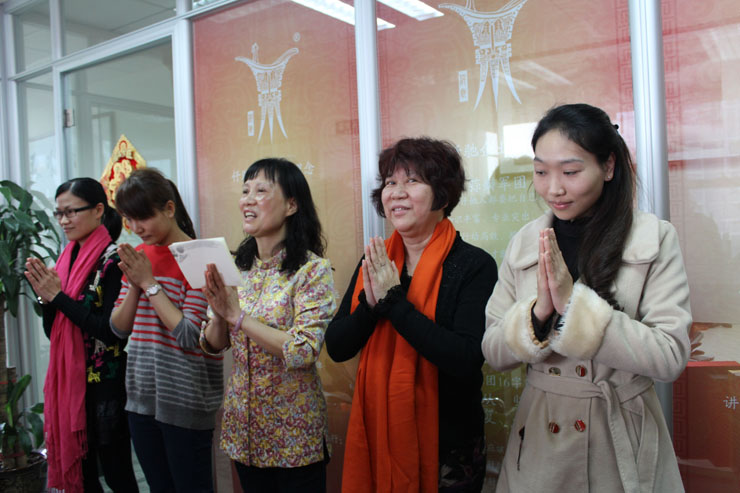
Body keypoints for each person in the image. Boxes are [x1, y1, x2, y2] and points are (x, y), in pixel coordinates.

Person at [482, 103, 692, 492]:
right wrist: (539, 314)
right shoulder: (526, 242)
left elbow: (670, 355)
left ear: (608, 166)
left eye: (571, 172)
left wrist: (576, 311)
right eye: (541, 172)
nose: (553, 188)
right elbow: (493, 351)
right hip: (541, 439)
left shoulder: (653, 238)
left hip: (618, 436)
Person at [325, 137, 498, 492]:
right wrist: (371, 307)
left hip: (449, 447)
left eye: (413, 181)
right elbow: (338, 346)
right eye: (390, 182)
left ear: (443, 195)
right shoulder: (376, 260)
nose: (397, 193)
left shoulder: (473, 264)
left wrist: (394, 302)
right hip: (381, 435)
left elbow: (466, 358)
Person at [200, 158, 335, 493]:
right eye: (245, 190)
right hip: (244, 429)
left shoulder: (311, 270)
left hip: (294, 434)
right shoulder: (236, 267)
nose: (248, 199)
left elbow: (304, 350)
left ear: (291, 205)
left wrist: (237, 316)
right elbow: (214, 344)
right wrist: (219, 311)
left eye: (261, 191)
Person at [109, 168, 223, 493]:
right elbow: (118, 329)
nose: (135, 228)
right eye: (129, 219)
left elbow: (191, 336)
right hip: (141, 397)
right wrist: (136, 285)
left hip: (185, 399)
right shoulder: (139, 256)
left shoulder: (202, 256)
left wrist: (148, 282)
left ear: (169, 209)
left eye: (142, 218)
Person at [24, 178, 138, 493]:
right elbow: (55, 332)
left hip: (105, 384)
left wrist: (58, 297)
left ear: (98, 210)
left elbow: (111, 333)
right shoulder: (66, 260)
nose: (63, 221)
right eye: (59, 213)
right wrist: (46, 298)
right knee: (85, 478)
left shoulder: (114, 261)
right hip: (70, 382)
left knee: (117, 475)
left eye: (71, 212)